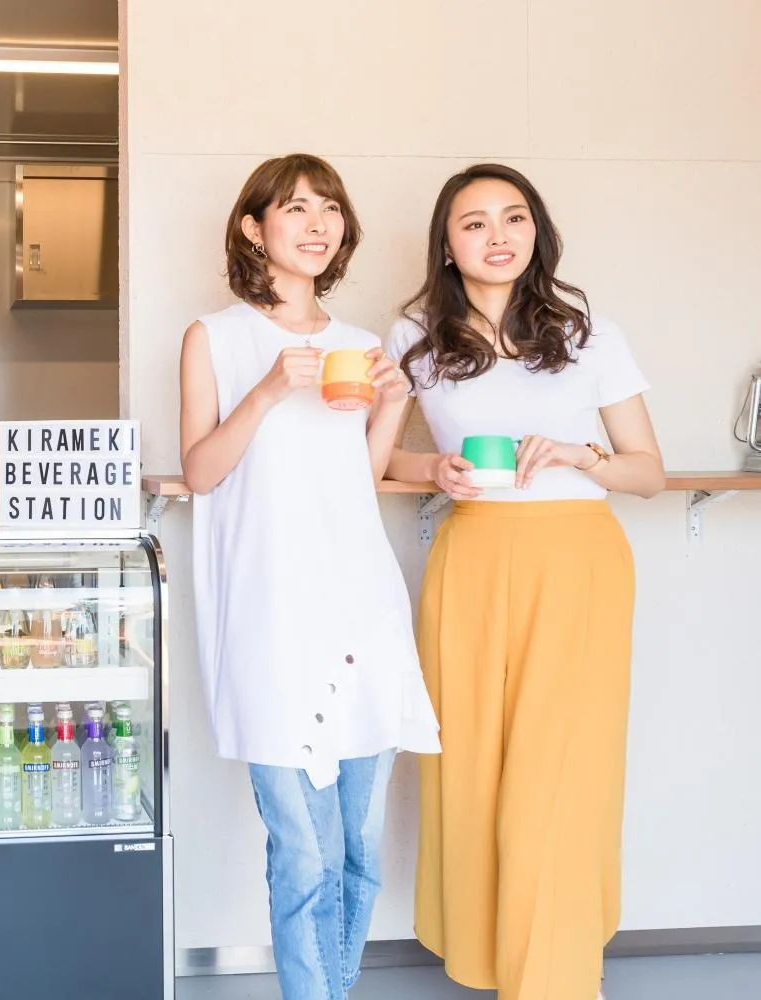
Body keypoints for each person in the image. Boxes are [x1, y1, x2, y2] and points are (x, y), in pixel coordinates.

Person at [385, 163, 664, 1000]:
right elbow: (376, 456)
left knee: (562, 769)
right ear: (445, 242)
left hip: (578, 560)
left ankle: (554, 976)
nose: (497, 236)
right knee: (471, 765)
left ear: (537, 231)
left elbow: (648, 472)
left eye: (514, 218)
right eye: (474, 223)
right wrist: (430, 464)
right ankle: (491, 952)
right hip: (472, 560)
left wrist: (584, 456)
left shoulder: (591, 335)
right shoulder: (411, 337)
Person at [179, 153, 441, 1000]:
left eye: (330, 208)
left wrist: (393, 404)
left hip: (360, 605)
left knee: (358, 844)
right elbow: (201, 474)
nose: (318, 223)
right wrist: (261, 392)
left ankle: (335, 990)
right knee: (302, 848)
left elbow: (355, 480)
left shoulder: (360, 347)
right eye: (296, 208)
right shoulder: (214, 337)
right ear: (254, 227)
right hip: (269, 616)